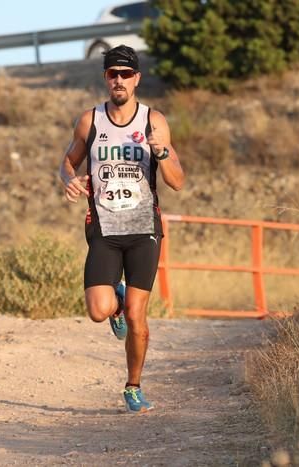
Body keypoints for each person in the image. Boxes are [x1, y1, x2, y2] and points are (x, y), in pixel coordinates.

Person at [58, 45, 185, 413]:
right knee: (99, 311)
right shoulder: (90, 120)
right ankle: (115, 300)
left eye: (125, 74)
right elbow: (68, 160)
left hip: (144, 227)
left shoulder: (153, 121)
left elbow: (178, 181)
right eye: (113, 73)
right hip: (103, 227)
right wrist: (68, 179)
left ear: (136, 79)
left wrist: (161, 154)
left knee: (136, 315)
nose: (119, 80)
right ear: (105, 78)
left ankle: (133, 386)